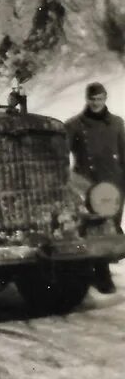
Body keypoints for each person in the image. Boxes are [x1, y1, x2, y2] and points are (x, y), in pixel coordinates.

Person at [65, 82, 125, 294]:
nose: (96, 102)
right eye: (92, 99)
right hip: (86, 185)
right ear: (87, 100)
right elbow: (62, 152)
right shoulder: (75, 125)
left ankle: (102, 270)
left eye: (99, 98)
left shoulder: (117, 123)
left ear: (105, 98)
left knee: (111, 228)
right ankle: (101, 275)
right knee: (92, 229)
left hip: (113, 184)